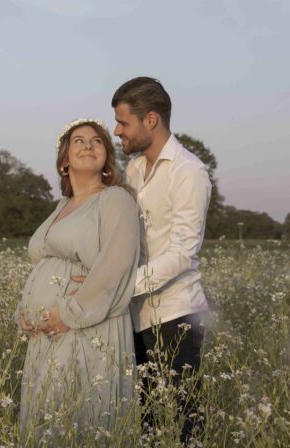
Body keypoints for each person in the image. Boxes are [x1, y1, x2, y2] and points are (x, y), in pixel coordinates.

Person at [15, 118, 144, 443]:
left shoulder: (115, 199)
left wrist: (70, 314)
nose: (88, 145)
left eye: (97, 141)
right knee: (48, 421)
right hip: (46, 334)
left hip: (88, 327)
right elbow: (43, 265)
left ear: (107, 158)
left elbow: (115, 267)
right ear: (64, 160)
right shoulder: (61, 206)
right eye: (78, 141)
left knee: (84, 419)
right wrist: (25, 311)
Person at [112, 76, 211, 443]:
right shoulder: (134, 170)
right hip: (134, 316)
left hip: (176, 316)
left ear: (150, 119)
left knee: (183, 424)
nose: (117, 130)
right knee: (148, 424)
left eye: (123, 122)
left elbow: (183, 253)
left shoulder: (189, 171)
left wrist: (121, 287)